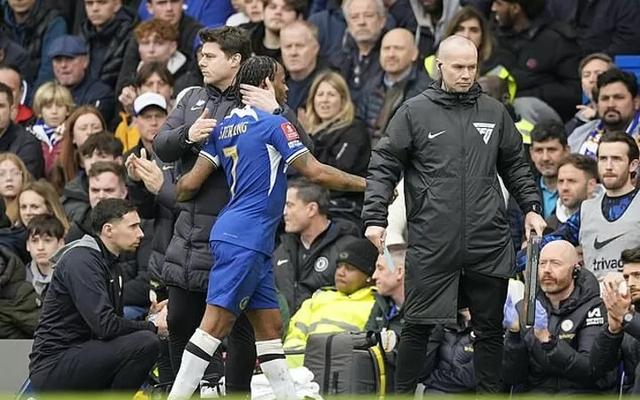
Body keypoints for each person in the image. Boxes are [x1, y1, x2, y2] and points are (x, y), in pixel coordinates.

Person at [169, 55, 366, 400]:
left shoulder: (224, 127)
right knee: (214, 325)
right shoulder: (274, 124)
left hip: (240, 234)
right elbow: (315, 172)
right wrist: (370, 183)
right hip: (247, 236)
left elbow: (186, 187)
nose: (287, 87)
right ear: (265, 85)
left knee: (270, 328)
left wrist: (182, 153)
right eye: (282, 80)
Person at [362, 35, 545, 395]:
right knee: (417, 326)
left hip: (487, 241)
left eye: (472, 67)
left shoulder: (494, 111)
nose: (465, 74)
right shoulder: (414, 111)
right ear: (439, 66)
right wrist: (375, 216)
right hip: (433, 242)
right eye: (458, 67)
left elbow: (517, 167)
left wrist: (532, 208)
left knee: (489, 331)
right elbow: (383, 164)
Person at [29, 198, 167, 393]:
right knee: (146, 342)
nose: (141, 233)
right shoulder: (82, 260)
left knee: (145, 339)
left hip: (85, 354)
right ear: (108, 230)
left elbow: (114, 325)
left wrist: (149, 317)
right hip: (55, 365)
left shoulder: (112, 265)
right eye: (133, 226)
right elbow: (105, 326)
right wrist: (153, 327)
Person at [503, 240, 612, 393]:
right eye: (542, 263)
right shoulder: (526, 307)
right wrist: (513, 337)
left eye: (555, 263)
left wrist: (547, 341)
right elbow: (513, 378)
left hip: (580, 392)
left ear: (575, 270)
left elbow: (589, 370)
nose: (547, 270)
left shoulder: (593, 306)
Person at [591, 245, 640, 394]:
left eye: (637, 275)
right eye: (626, 277)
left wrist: (626, 318)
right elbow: (597, 367)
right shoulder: (628, 311)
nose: (631, 283)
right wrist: (612, 331)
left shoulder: (628, 317)